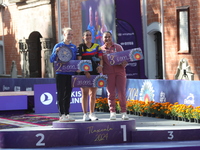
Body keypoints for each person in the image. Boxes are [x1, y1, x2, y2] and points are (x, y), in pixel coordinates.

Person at [50, 27, 77, 122]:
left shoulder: (74, 47)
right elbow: (51, 59)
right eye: (68, 34)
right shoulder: (58, 45)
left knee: (68, 94)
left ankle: (67, 113)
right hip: (60, 73)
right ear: (64, 35)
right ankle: (61, 114)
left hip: (70, 73)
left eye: (71, 34)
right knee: (61, 94)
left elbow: (75, 60)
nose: (69, 35)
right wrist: (56, 52)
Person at [101, 31, 129, 120]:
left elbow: (125, 60)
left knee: (121, 92)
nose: (107, 39)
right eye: (105, 37)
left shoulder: (118, 47)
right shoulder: (101, 50)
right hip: (108, 74)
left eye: (109, 37)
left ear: (111, 37)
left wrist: (124, 63)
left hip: (120, 72)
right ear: (102, 38)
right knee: (111, 93)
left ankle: (124, 112)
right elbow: (101, 63)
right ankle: (112, 112)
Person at [77, 30, 103, 121]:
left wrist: (100, 66)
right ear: (83, 37)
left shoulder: (97, 46)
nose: (88, 36)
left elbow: (100, 58)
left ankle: (92, 113)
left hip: (95, 72)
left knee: (93, 94)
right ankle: (85, 114)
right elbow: (79, 60)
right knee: (85, 93)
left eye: (89, 35)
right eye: (86, 35)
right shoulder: (80, 47)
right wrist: (85, 71)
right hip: (84, 73)